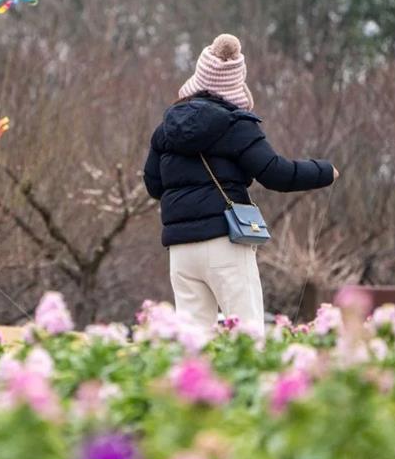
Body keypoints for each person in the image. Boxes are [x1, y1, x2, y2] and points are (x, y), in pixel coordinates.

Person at [143, 34, 338, 329]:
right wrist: (324, 171)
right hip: (225, 241)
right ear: (235, 83)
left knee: (192, 342)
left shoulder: (164, 130)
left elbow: (153, 185)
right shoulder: (236, 125)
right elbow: (276, 173)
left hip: (181, 249)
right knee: (248, 334)